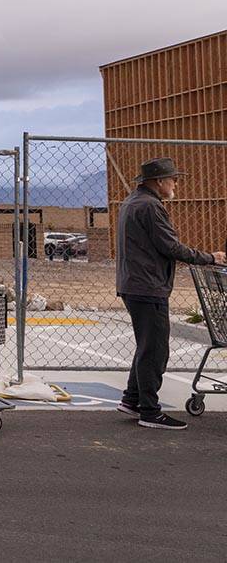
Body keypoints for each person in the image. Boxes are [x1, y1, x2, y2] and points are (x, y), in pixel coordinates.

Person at [116, 157, 225, 430]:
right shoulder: (151, 207)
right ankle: (150, 411)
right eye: (173, 179)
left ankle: (132, 398)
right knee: (155, 350)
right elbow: (170, 247)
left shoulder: (132, 202)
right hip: (147, 286)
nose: (176, 183)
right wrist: (210, 257)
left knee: (147, 345)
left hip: (134, 283)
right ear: (159, 181)